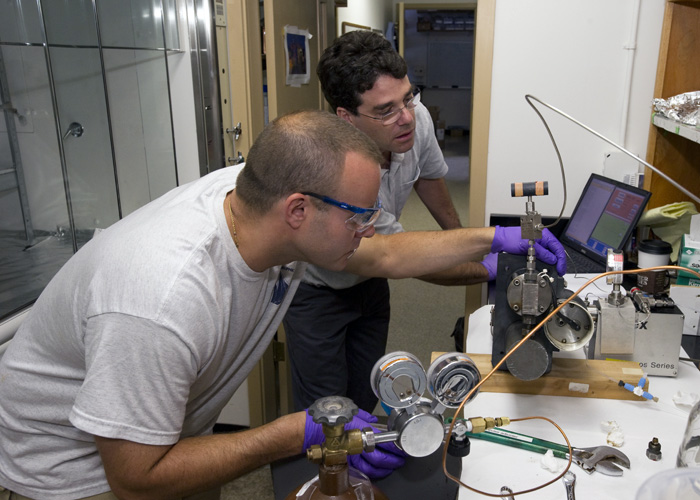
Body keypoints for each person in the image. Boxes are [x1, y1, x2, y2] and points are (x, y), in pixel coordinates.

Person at [0, 110, 564, 499]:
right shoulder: (162, 298)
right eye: (359, 217)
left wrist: (491, 241)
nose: (368, 229)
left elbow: (385, 255)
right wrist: (300, 431)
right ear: (298, 210)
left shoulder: (261, 200)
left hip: (165, 436)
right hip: (73, 473)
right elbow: (136, 480)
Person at [283, 30, 564, 414]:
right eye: (384, 110)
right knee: (326, 410)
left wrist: (461, 237)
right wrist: (483, 265)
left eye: (408, 97)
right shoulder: (335, 172)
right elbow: (394, 257)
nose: (405, 118)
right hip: (317, 289)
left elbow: (428, 178)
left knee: (368, 391)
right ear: (346, 118)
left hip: (370, 283)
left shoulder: (416, 119)